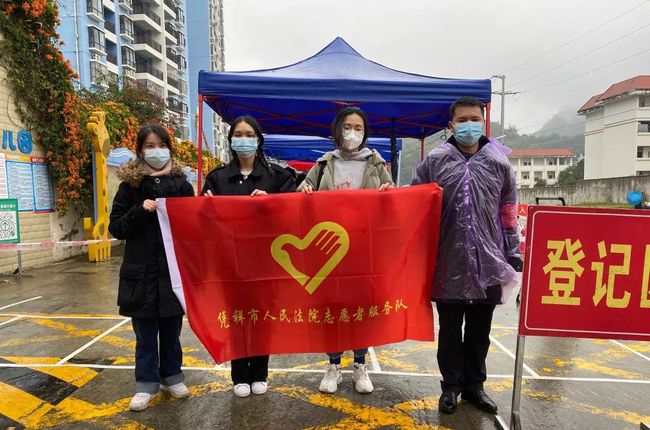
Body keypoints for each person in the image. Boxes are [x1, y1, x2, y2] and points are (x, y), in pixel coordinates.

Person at [411, 97, 522, 414]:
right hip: (448, 260)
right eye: (462, 120)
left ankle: (475, 386)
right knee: (449, 331)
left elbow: (509, 210)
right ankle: (450, 388)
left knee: (479, 331)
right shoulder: (435, 161)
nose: (468, 125)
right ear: (451, 125)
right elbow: (414, 202)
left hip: (489, 262)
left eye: (474, 119)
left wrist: (512, 250)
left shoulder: (498, 163)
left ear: (484, 122)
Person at [298, 106, 394, 394]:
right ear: (337, 129)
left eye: (358, 128)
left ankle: (360, 365)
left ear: (365, 133)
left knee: (361, 310)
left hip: (365, 249)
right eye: (347, 127)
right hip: (329, 250)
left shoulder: (376, 164)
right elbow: (301, 195)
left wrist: (389, 194)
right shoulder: (324, 164)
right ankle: (333, 366)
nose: (352, 133)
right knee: (332, 309)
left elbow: (394, 203)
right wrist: (305, 191)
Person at [201, 115, 296, 398]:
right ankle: (240, 375)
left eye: (249, 134)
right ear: (231, 140)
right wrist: (206, 207)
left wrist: (272, 203)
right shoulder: (217, 178)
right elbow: (201, 219)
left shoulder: (278, 176)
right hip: (230, 262)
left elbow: (293, 213)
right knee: (236, 317)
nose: (243, 140)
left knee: (262, 317)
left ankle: (260, 372)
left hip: (266, 261)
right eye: (238, 134)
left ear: (258, 139)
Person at [109, 124, 195, 412]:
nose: (156, 150)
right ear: (140, 150)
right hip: (141, 275)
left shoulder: (182, 185)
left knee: (171, 333)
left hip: (172, 274)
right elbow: (116, 227)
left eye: (161, 145)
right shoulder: (129, 187)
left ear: (169, 148)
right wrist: (139, 211)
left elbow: (194, 226)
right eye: (149, 145)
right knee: (145, 336)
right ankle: (145, 384)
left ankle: (172, 377)